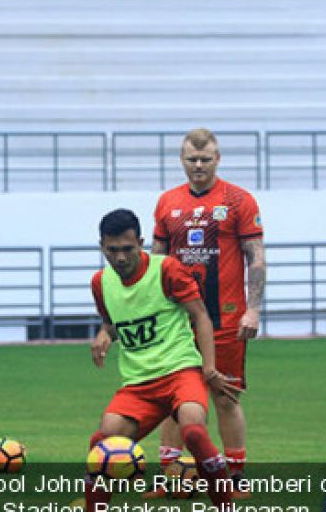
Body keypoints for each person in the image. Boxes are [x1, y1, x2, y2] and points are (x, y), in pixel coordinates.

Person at [85, 209, 241, 511]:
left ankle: (226, 506)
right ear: (102, 247)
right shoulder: (100, 283)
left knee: (193, 431)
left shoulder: (167, 269)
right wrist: (104, 334)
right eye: (112, 250)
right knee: (100, 444)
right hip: (138, 384)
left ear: (141, 242)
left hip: (181, 372)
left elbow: (200, 315)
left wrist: (208, 369)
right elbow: (111, 322)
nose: (120, 258)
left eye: (127, 249)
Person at [150, 128, 265, 483]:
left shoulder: (238, 200)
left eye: (205, 159)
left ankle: (235, 475)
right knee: (173, 398)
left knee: (225, 397)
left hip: (226, 318)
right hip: (177, 320)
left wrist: (254, 309)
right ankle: (170, 473)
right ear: (181, 160)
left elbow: (256, 258)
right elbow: (157, 260)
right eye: (192, 159)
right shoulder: (167, 202)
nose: (198, 165)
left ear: (218, 159)